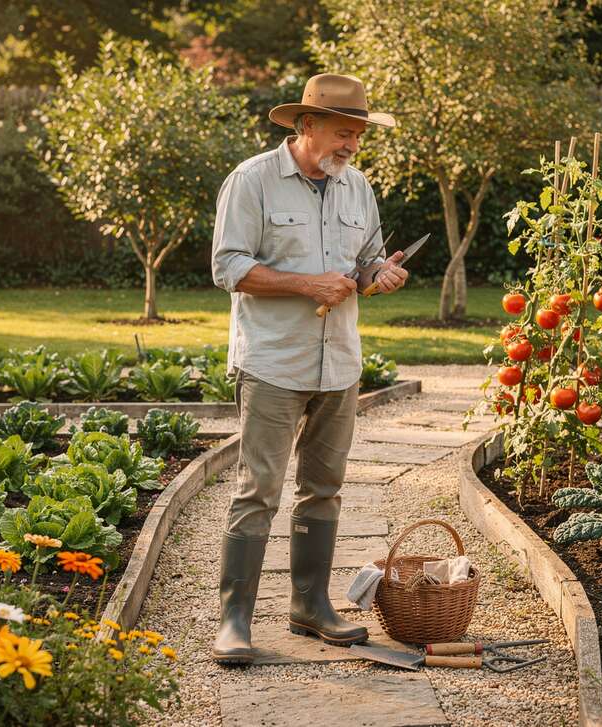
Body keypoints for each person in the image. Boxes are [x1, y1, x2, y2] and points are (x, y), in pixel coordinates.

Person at [209, 73, 408, 664]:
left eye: (358, 135)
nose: (351, 145)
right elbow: (228, 267)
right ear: (306, 126)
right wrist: (304, 284)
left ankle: (310, 606)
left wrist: (380, 275)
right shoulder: (253, 181)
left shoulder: (358, 188)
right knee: (259, 491)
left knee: (324, 489)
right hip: (273, 362)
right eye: (343, 132)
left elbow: (366, 260)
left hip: (339, 364)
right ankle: (234, 621)